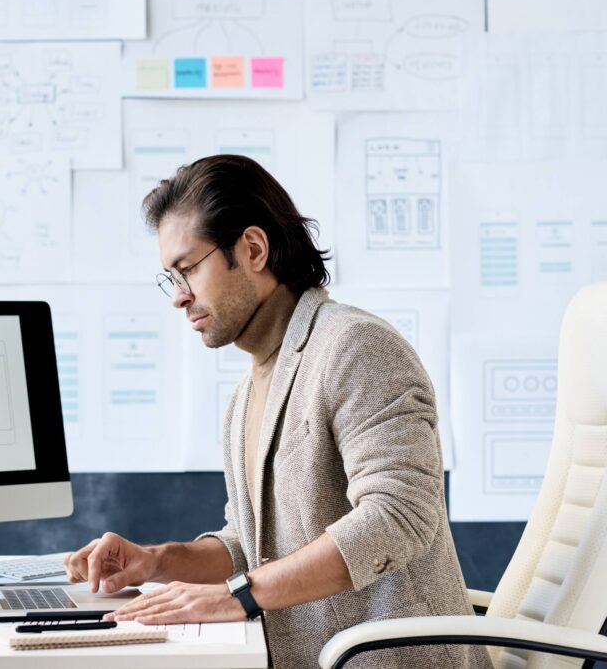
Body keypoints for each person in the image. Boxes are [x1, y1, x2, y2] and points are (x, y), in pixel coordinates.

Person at [63, 155, 490, 668]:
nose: (179, 298)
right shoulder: (247, 394)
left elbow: (398, 517)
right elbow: (251, 546)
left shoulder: (356, 348)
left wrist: (239, 595)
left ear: (253, 249)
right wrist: (154, 561)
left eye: (188, 269)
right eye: (170, 278)